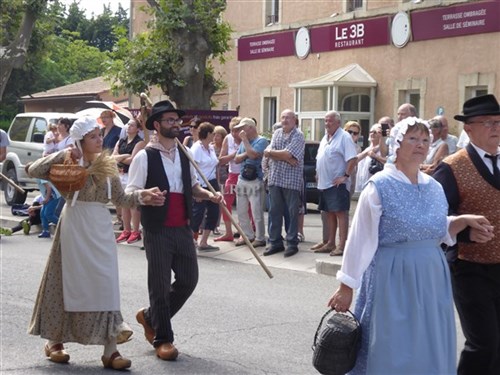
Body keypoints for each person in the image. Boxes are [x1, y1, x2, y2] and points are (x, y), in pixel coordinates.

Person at [328, 116, 494, 375]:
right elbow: (360, 238)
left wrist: (460, 221)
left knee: (426, 345)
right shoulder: (379, 186)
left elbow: (435, 230)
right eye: (413, 138)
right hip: (392, 277)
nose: (421, 145)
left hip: (431, 278)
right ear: (397, 143)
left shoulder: (435, 187)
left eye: (425, 140)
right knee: (392, 346)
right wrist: (346, 286)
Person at [27, 116, 166, 370]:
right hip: (73, 225)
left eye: (99, 135)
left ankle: (110, 350)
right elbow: (34, 170)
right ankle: (54, 341)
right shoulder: (68, 160)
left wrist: (143, 197)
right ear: (80, 140)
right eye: (92, 136)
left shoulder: (108, 166)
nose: (99, 140)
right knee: (65, 283)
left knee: (105, 285)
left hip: (100, 228)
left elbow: (122, 198)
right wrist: (63, 153)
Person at [125, 100, 222, 361]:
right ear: (156, 125)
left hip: (182, 227)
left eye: (177, 120)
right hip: (157, 228)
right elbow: (129, 193)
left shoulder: (184, 155)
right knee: (159, 284)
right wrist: (145, 195)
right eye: (169, 120)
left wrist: (210, 196)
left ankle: (149, 317)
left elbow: (192, 189)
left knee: (189, 280)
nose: (175, 124)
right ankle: (163, 339)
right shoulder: (145, 156)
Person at [433, 94, 500, 375]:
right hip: (470, 269)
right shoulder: (452, 167)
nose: (495, 128)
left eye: (498, 122)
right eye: (487, 122)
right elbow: (435, 222)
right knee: (483, 342)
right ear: (469, 129)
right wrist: (466, 235)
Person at [314, 111, 357, 256]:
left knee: (340, 213)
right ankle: (330, 243)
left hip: (337, 184)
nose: (327, 124)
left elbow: (352, 159)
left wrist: (345, 176)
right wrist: (317, 173)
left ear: (338, 123)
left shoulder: (344, 137)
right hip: (325, 183)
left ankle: (342, 245)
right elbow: (321, 157)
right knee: (329, 213)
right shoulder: (325, 138)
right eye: (325, 121)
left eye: (330, 121)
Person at [264, 109, 305, 258]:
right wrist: (284, 157)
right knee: (274, 212)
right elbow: (275, 152)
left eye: (288, 117)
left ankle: (292, 243)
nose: (285, 120)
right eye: (283, 117)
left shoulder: (298, 135)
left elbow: (288, 153)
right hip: (275, 178)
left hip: (291, 181)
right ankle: (275, 242)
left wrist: (272, 153)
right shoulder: (277, 133)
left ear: (295, 120)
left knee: (292, 213)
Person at [233, 117, 268, 248]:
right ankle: (248, 235)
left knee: (256, 210)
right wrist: (246, 153)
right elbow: (236, 159)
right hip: (242, 178)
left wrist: (246, 143)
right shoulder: (244, 142)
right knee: (241, 211)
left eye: (243, 128)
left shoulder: (262, 140)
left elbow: (254, 155)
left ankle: (260, 237)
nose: (241, 130)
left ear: (251, 128)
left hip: (255, 179)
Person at [113, 118, 147, 244]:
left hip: (131, 174)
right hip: (120, 173)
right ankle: (126, 230)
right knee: (123, 203)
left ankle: (135, 230)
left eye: (132, 125)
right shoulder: (121, 141)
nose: (129, 127)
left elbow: (132, 159)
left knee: (132, 203)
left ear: (138, 128)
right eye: (128, 125)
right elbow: (113, 156)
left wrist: (120, 158)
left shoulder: (140, 142)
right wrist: (124, 156)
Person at [190, 122, 221, 251]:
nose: (214, 135)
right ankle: (192, 240)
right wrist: (196, 190)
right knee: (198, 213)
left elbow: (215, 165)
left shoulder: (211, 148)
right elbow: (193, 168)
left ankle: (204, 242)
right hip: (201, 183)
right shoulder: (196, 148)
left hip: (212, 182)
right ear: (208, 133)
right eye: (213, 133)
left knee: (214, 211)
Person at [216, 116, 243, 241]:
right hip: (232, 174)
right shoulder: (228, 138)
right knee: (225, 203)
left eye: (236, 130)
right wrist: (234, 155)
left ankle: (246, 232)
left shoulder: (246, 139)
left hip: (245, 175)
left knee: (245, 205)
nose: (233, 133)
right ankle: (228, 232)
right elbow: (221, 160)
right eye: (231, 130)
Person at [354, 123, 383, 194]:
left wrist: (376, 155)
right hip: (361, 188)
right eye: (371, 132)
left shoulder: (383, 151)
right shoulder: (367, 149)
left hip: (374, 189)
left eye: (375, 132)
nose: (372, 134)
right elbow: (355, 161)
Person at [212, 125, 228, 236]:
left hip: (223, 178)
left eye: (218, 135)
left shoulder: (224, 148)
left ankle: (216, 226)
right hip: (212, 177)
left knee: (219, 202)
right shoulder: (210, 147)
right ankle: (203, 226)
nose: (215, 137)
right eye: (214, 134)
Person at [344, 121, 362, 198]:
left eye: (355, 133)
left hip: (351, 179)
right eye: (350, 132)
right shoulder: (341, 144)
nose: (352, 135)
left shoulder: (358, 148)